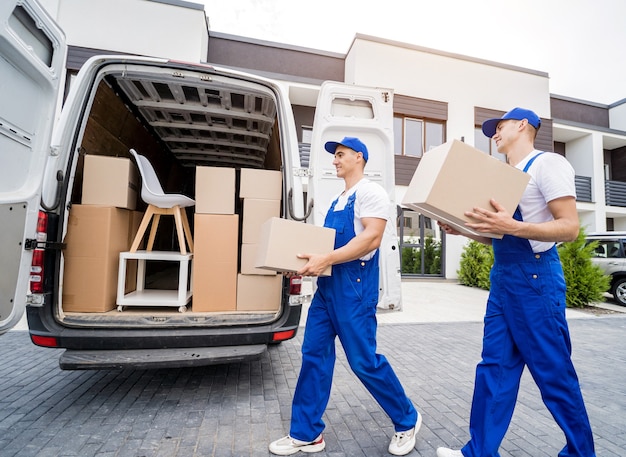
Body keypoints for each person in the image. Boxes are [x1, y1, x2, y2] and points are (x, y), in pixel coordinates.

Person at [436, 108, 596, 457]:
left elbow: (569, 227)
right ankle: (478, 451)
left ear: (523, 125)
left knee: (553, 372)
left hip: (535, 276)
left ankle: (581, 453)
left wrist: (515, 227)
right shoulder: (506, 176)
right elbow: (500, 236)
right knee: (494, 367)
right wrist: (462, 229)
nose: (493, 133)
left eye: (500, 126)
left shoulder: (546, 164)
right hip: (504, 278)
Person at [269, 137, 421, 456]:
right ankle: (307, 432)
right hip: (327, 290)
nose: (335, 160)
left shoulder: (370, 192)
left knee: (364, 361)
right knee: (314, 356)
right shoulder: (339, 199)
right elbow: (325, 248)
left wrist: (326, 260)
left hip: (354, 288)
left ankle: (407, 420)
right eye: (334, 156)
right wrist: (300, 265)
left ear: (359, 157)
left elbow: (371, 238)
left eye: (340, 155)